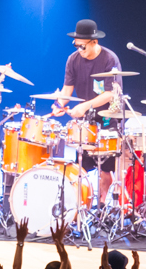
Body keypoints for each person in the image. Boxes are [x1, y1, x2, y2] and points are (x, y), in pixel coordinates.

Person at [52, 19, 124, 202]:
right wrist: (59, 105)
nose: (79, 50)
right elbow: (67, 89)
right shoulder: (73, 60)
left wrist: (84, 105)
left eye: (83, 47)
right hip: (87, 121)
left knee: (105, 169)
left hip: (108, 118)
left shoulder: (109, 59)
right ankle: (83, 202)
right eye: (77, 46)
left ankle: (102, 204)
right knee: (82, 165)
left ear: (94, 42)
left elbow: (109, 94)